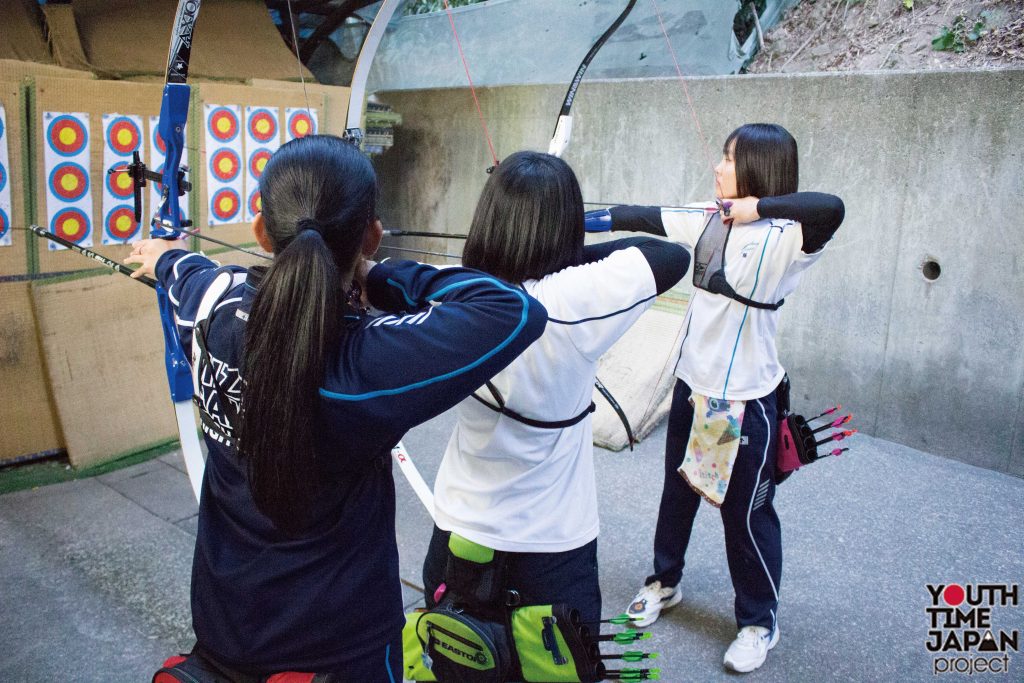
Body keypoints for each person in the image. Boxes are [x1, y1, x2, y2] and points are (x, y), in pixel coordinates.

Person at [125, 135, 547, 681]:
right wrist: (377, 274)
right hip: (342, 654)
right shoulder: (364, 362)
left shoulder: (211, 304)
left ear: (260, 231)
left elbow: (184, 271)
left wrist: (165, 256)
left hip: (224, 629)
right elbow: (513, 309)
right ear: (371, 235)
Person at [588, 123, 845, 673]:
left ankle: (759, 621)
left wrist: (758, 208)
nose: (717, 167)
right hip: (693, 390)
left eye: (728, 159)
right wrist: (568, 218)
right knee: (677, 493)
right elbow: (640, 216)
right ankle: (664, 581)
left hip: (744, 401)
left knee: (745, 515)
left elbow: (832, 206)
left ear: (755, 168)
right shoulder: (711, 215)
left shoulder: (791, 239)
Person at [421, 150, 691, 626]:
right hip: (550, 552)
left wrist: (526, 259)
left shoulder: (451, 290)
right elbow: (670, 256)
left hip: (455, 536)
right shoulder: (572, 297)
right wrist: (566, 257)